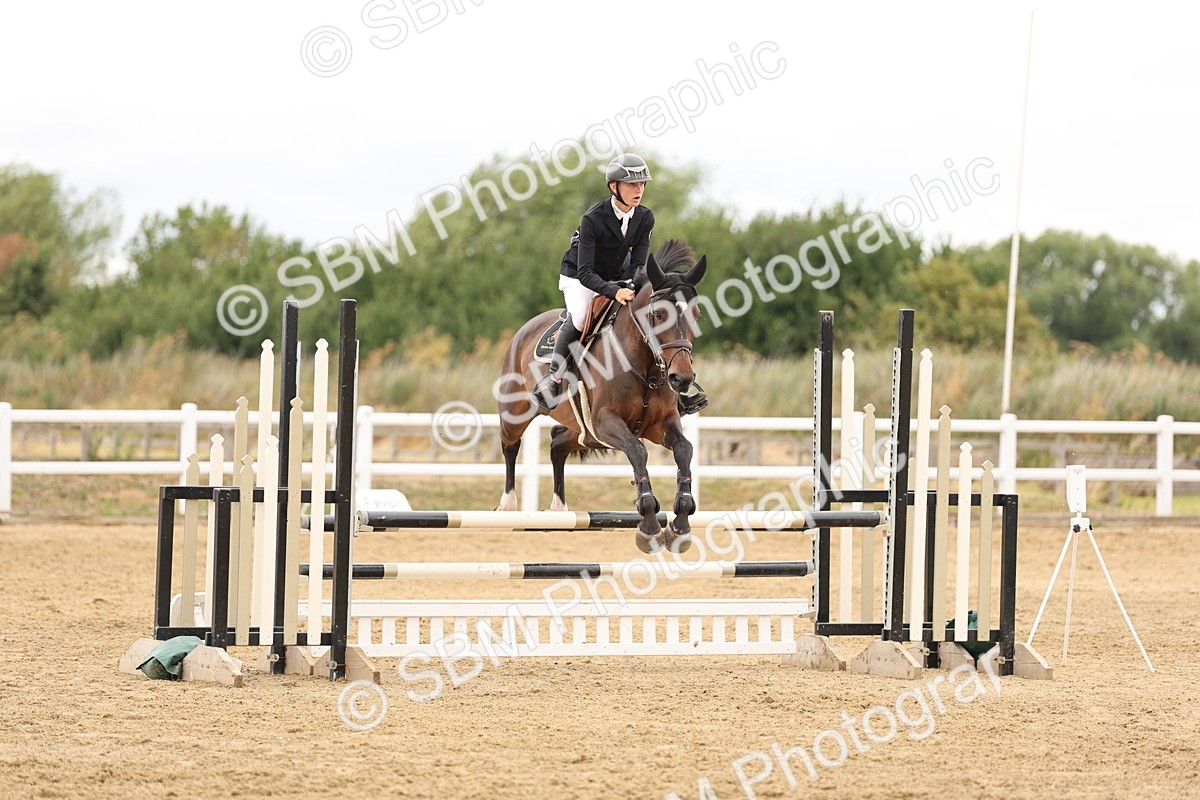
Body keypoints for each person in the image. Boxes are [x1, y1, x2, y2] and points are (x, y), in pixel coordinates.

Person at [533, 153, 655, 410]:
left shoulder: (645, 218)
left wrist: (630, 285)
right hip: (579, 276)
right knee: (579, 315)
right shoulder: (593, 219)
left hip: (618, 274)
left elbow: (637, 265)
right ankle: (554, 378)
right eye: (632, 184)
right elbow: (587, 273)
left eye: (642, 184)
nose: (639, 189)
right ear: (614, 186)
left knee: (653, 297)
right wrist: (615, 292)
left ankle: (669, 379)